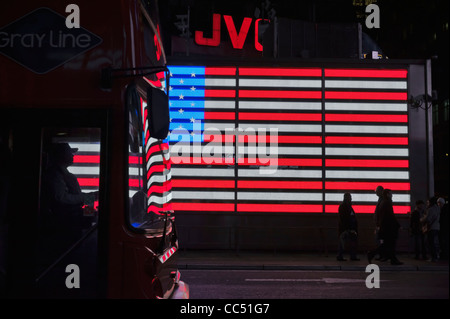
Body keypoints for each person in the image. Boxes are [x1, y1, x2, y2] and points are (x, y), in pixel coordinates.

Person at [40, 142, 97, 251]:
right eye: (70, 153)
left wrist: (89, 200)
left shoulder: (65, 174)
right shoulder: (55, 175)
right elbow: (60, 198)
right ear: (62, 156)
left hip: (72, 221)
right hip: (65, 224)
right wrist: (87, 197)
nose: (73, 156)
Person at [368, 189, 403, 265]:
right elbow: (391, 215)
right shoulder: (387, 202)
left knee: (387, 244)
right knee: (390, 244)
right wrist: (398, 225)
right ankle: (392, 259)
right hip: (389, 228)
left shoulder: (382, 202)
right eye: (391, 193)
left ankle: (373, 254)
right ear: (387, 194)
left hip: (384, 227)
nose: (392, 195)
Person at [336, 193, 359, 261]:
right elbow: (346, 218)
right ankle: (352, 256)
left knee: (343, 242)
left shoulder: (343, 206)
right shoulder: (347, 207)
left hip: (345, 228)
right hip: (348, 228)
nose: (351, 199)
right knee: (351, 242)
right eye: (350, 197)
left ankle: (341, 256)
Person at [421, 197, 440, 262]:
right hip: (437, 227)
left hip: (431, 228)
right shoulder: (438, 208)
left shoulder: (431, 209)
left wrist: (421, 220)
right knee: (434, 243)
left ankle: (433, 257)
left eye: (428, 202)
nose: (427, 204)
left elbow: (428, 219)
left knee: (429, 243)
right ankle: (436, 256)